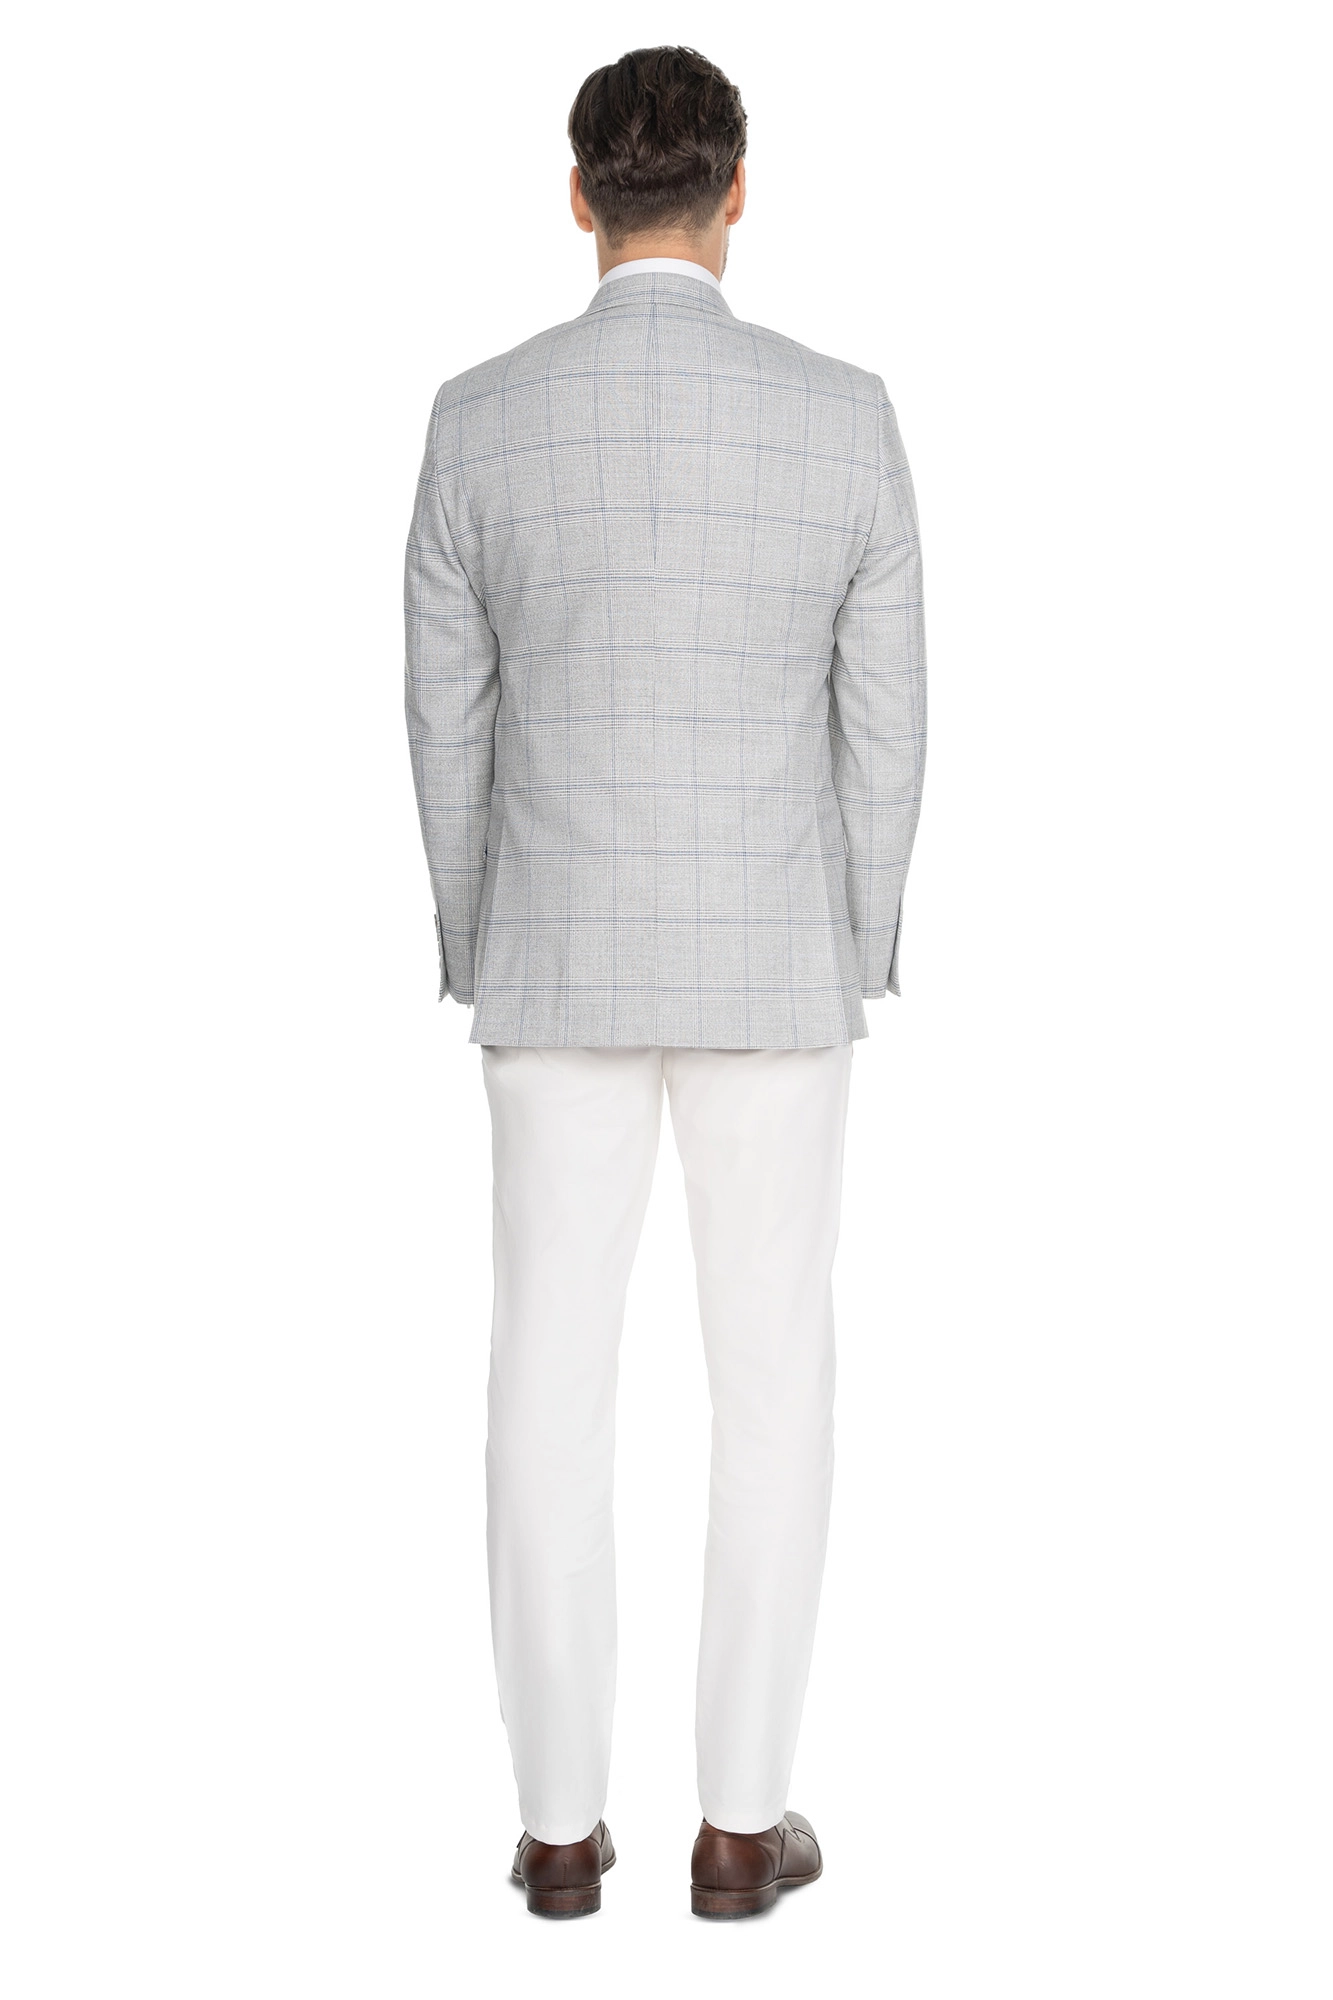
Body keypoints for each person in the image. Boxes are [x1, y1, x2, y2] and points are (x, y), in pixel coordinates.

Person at [404, 44, 926, 1921]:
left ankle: (558, 1834)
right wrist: (855, 935)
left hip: (551, 956)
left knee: (543, 1387)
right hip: (774, 962)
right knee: (774, 1382)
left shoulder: (480, 418)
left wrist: (479, 931)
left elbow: (443, 718)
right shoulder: (843, 417)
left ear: (578, 198)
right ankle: (737, 1825)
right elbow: (888, 713)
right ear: (737, 193)